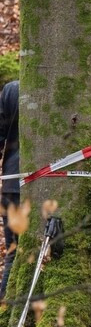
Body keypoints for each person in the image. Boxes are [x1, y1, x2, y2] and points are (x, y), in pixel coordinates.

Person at [0, 80, 19, 300]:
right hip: (47, 185)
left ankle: (6, 305)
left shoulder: (12, 90)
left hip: (13, 182)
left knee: (14, 252)